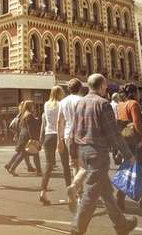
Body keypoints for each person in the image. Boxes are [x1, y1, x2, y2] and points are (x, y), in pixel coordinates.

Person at [69, 73, 138, 235]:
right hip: (97, 154)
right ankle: (76, 228)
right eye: (105, 85)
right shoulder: (103, 104)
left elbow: (73, 131)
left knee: (106, 192)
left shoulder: (80, 103)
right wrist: (128, 155)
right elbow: (113, 133)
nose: (106, 88)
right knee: (91, 193)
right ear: (100, 86)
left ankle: (121, 225)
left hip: (83, 152)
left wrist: (73, 152)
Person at [116, 83, 142, 210]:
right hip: (134, 140)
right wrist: (140, 139)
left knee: (128, 167)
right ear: (135, 92)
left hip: (124, 139)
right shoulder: (134, 104)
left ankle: (120, 195)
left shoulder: (120, 105)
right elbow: (136, 124)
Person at [57, 78, 84, 207]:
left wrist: (59, 139)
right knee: (84, 166)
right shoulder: (82, 100)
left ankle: (78, 193)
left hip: (68, 136)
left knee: (74, 165)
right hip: (81, 135)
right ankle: (80, 192)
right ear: (80, 88)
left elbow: (60, 121)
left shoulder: (63, 102)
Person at [39, 86, 65, 205]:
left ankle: (43, 191)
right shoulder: (61, 105)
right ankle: (72, 192)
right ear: (60, 94)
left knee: (49, 165)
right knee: (66, 164)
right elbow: (61, 122)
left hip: (48, 135)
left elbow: (45, 123)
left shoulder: (46, 104)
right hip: (59, 135)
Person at [5, 100, 42, 176]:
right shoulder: (29, 115)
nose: (34, 107)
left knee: (27, 154)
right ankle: (12, 168)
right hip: (28, 137)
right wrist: (33, 139)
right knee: (27, 154)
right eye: (32, 105)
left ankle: (38, 171)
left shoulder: (24, 114)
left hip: (23, 136)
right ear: (30, 106)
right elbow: (30, 128)